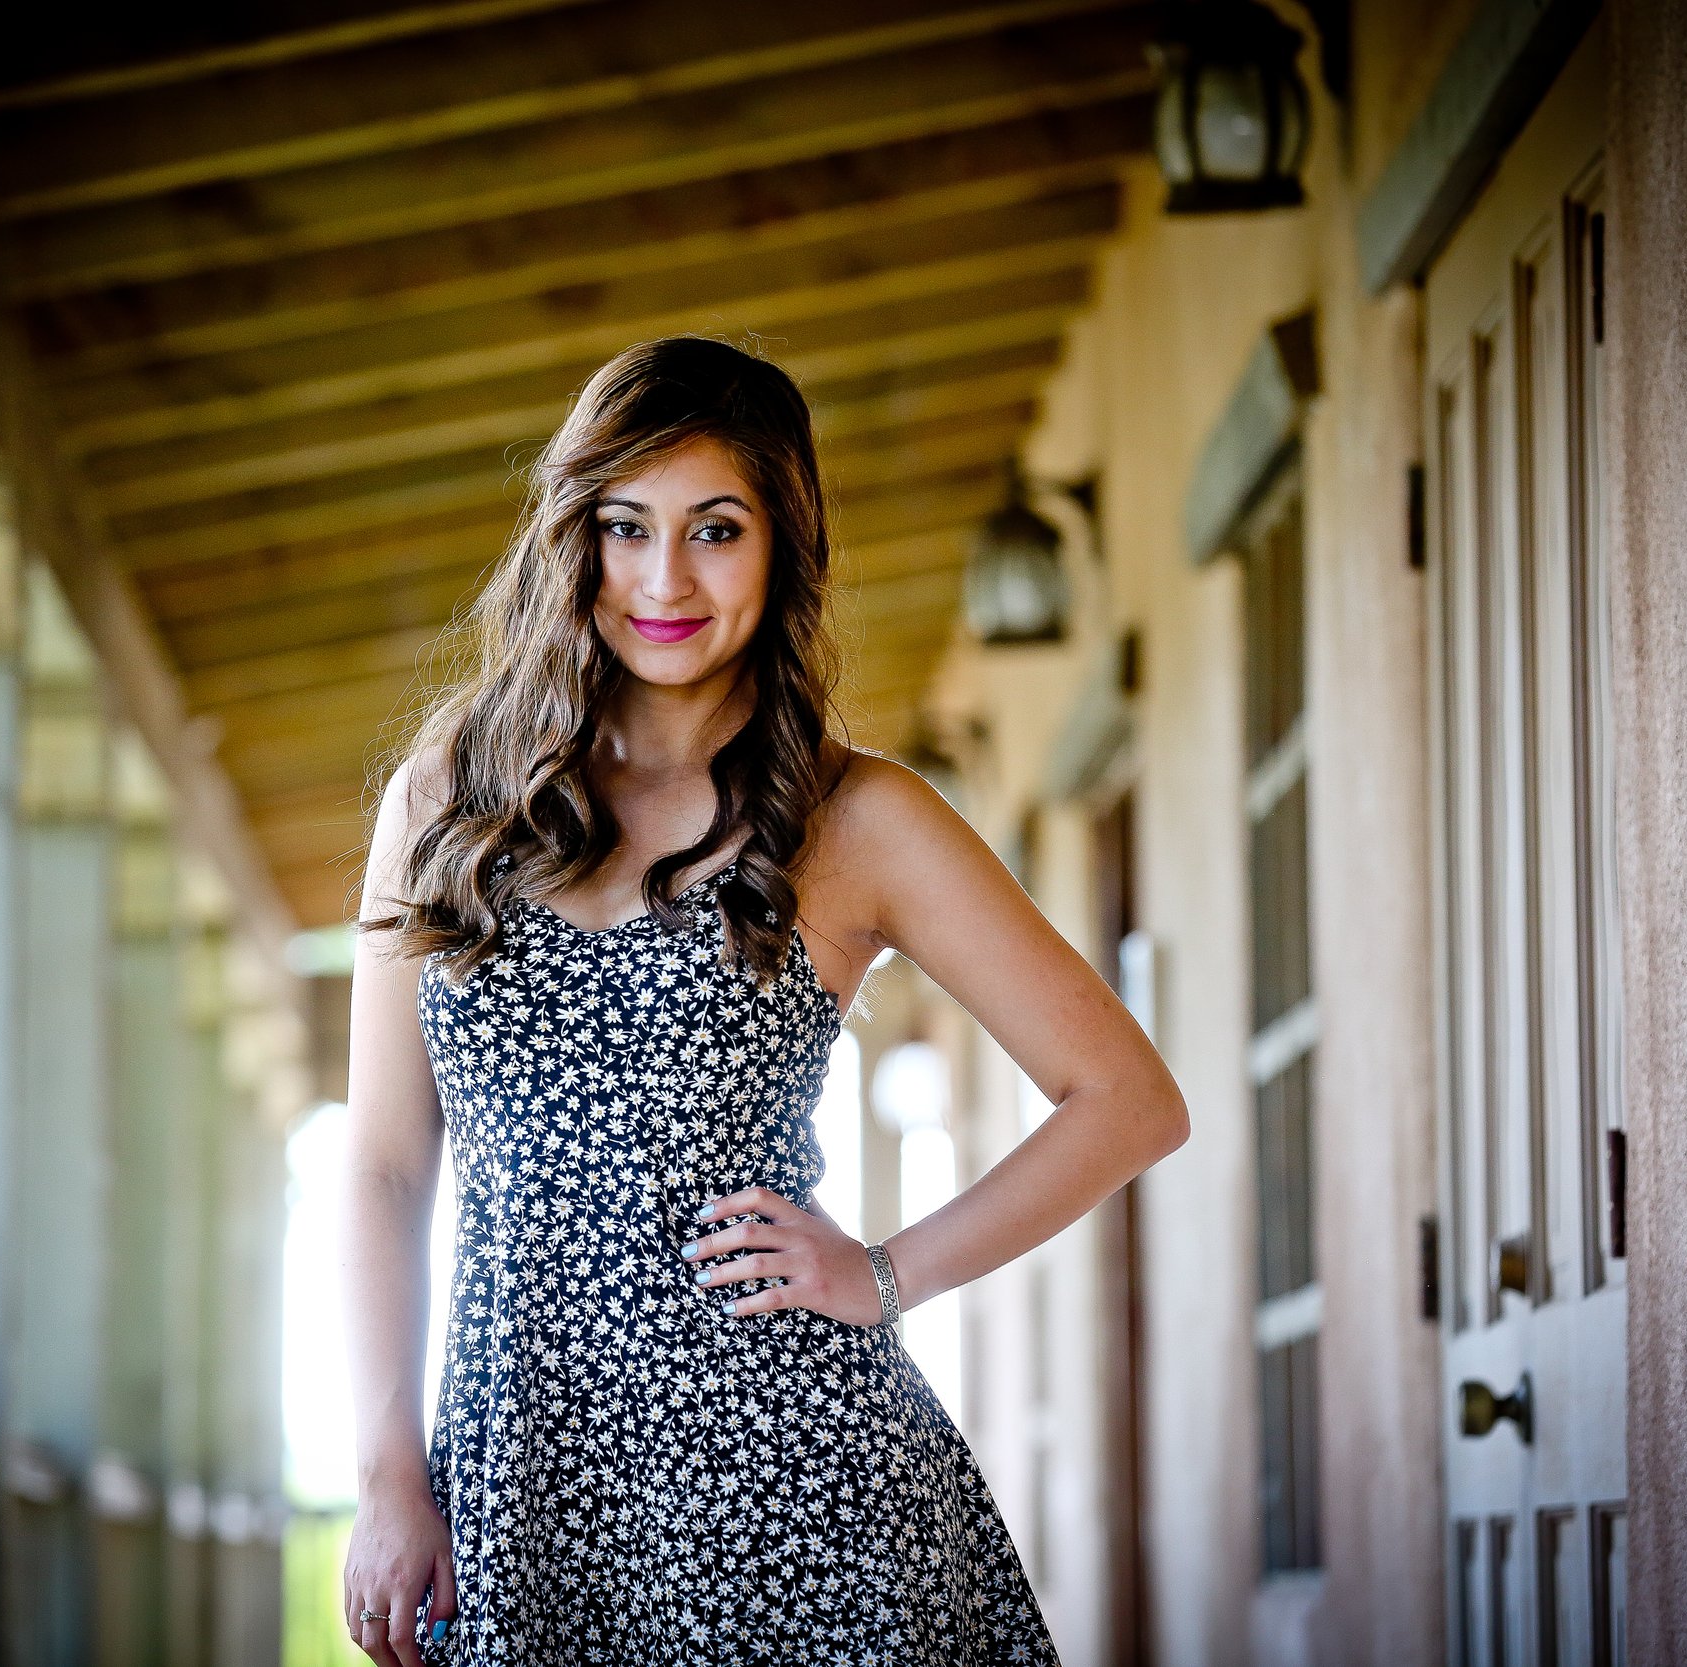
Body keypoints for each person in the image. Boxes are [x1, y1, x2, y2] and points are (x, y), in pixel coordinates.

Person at [338, 335, 1188, 1666]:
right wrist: (389, 1469)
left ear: (784, 546)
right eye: (626, 526)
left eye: (715, 530)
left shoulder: (862, 819)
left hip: (804, 1488)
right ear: (575, 539)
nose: (663, 580)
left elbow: (1129, 1102)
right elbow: (388, 1164)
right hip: (523, 1482)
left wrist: (887, 1272)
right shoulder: (450, 799)